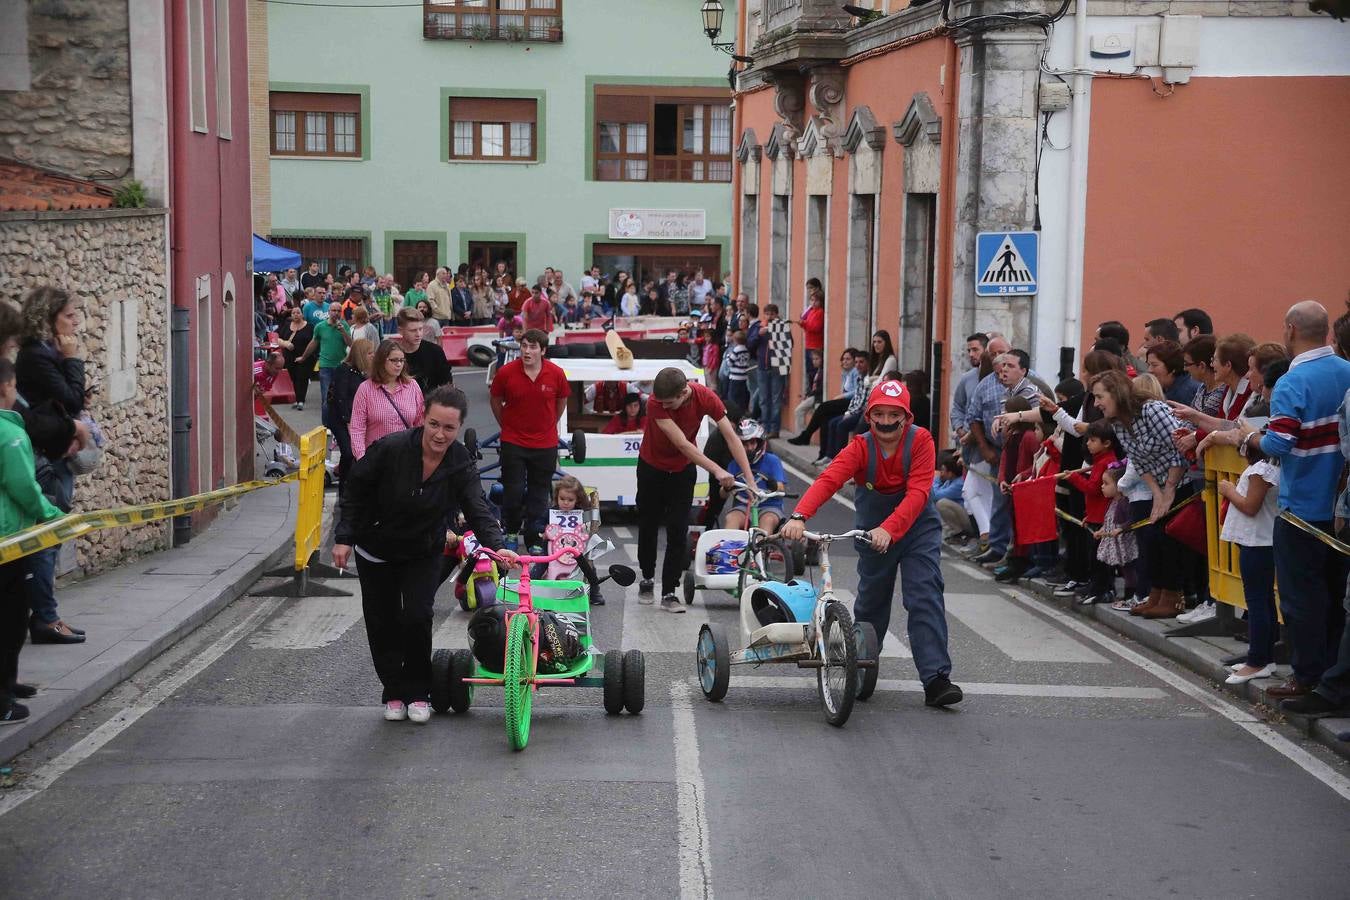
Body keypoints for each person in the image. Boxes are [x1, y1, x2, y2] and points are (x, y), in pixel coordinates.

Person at [334, 386, 518, 723]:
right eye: (434, 424)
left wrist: (497, 543)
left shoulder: (459, 459)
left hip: (423, 548)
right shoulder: (391, 449)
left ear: (459, 428)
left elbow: (476, 506)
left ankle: (419, 691)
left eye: (449, 428)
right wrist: (344, 537)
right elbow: (355, 489)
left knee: (418, 615)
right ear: (423, 418)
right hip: (377, 548)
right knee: (383, 621)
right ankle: (393, 691)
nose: (439, 434)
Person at [782, 380, 963, 708]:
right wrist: (798, 516)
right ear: (869, 415)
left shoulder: (921, 440)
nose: (884, 421)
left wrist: (890, 529)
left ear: (905, 417)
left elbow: (920, 493)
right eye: (878, 413)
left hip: (917, 530)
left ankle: (936, 679)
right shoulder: (860, 447)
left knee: (924, 595)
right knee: (871, 603)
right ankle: (859, 668)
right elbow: (828, 479)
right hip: (871, 531)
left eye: (893, 414)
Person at [1261, 300, 1350, 700]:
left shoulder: (1292, 382)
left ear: (1291, 328)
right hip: (1340, 507)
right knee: (1335, 596)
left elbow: (1279, 441)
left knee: (1301, 599)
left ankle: (1306, 674)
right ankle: (1333, 671)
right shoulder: (1346, 372)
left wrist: (1248, 438)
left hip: (1301, 509)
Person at [637, 368, 755, 613]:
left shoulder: (706, 397)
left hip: (682, 471)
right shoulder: (655, 404)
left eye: (670, 403)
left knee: (678, 529)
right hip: (652, 466)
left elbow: (732, 438)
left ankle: (669, 592)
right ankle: (647, 578)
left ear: (684, 392)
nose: (666, 407)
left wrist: (751, 481)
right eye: (663, 403)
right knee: (648, 525)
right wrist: (718, 471)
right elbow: (682, 444)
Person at [16, 286, 89, 645]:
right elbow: (72, 401)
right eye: (68, 315)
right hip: (49, 458)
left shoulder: (45, 354)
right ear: (48, 319)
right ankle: (45, 618)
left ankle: (46, 613)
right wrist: (73, 360)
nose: (75, 321)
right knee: (48, 538)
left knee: (53, 538)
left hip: (56, 453)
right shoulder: (36, 357)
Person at [0, 356, 66, 724]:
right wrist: (54, 516)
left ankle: (8, 684)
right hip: (9, 540)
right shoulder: (9, 434)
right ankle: (3, 700)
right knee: (10, 622)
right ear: (6, 388)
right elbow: (24, 488)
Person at [489, 328, 569, 551]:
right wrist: (506, 425)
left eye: (532, 347)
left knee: (539, 493)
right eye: (524, 346)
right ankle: (512, 532)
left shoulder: (556, 373)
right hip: (513, 441)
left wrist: (550, 423)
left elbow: (561, 401)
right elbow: (495, 400)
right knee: (512, 492)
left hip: (544, 443)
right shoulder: (506, 373)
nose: (527, 351)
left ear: (542, 350)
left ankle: (534, 538)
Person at [1217, 436, 1280, 685]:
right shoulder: (1268, 468)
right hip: (1259, 541)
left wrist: (1229, 491)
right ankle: (1266, 657)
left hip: (1258, 542)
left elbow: (1250, 506)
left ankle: (1257, 661)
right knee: (1263, 599)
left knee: (1256, 601)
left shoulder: (1261, 470)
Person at [1062, 420, 1123, 604]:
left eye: (1092, 440)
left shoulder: (1107, 462)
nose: (1087, 443)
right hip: (1096, 516)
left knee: (1100, 558)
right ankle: (1096, 587)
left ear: (1106, 443)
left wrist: (1074, 478)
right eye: (1088, 439)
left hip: (1104, 517)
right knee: (1094, 555)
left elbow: (1093, 489)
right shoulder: (1099, 461)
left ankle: (1103, 589)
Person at [349, 339, 425, 459]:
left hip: (406, 457)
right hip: (376, 459)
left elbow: (420, 422)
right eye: (394, 360)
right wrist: (362, 459)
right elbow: (357, 428)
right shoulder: (365, 389)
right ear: (381, 361)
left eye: (401, 360)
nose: (399, 364)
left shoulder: (413, 386)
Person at [721, 419, 786, 534]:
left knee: (767, 522)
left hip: (769, 507)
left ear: (759, 443)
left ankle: (761, 548)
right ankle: (730, 547)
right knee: (731, 519)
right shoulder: (734, 464)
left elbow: (781, 488)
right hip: (743, 506)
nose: (750, 448)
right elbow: (722, 495)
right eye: (745, 444)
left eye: (752, 443)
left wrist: (772, 484)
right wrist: (727, 487)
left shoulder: (772, 461)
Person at [297, 301, 352, 432]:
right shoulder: (320, 326)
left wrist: (343, 331)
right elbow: (313, 343)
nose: (336, 313)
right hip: (325, 366)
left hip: (340, 366)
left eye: (339, 311)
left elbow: (351, 344)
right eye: (334, 310)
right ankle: (326, 425)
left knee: (340, 396)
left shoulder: (344, 325)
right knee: (326, 397)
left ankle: (339, 423)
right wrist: (304, 357)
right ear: (329, 312)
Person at [328, 339, 374, 490]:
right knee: (348, 452)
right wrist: (348, 422)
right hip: (340, 418)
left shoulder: (363, 372)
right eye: (369, 353)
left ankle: (350, 486)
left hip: (356, 419)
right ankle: (344, 487)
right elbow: (340, 397)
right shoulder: (344, 369)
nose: (372, 356)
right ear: (361, 354)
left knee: (355, 454)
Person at [789, 348, 859, 446]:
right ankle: (824, 453)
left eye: (848, 359)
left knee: (823, 407)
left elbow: (857, 391)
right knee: (825, 419)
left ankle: (806, 436)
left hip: (852, 402)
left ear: (854, 360)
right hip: (844, 401)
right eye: (843, 359)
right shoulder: (845, 372)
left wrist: (842, 396)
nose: (845, 361)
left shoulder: (856, 371)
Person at [394, 307, 453, 393]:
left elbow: (447, 384)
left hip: (430, 402)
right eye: (413, 330)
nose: (418, 334)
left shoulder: (435, 351)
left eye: (421, 329)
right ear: (400, 331)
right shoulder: (393, 355)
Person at [275, 306, 313, 410]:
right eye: (293, 313)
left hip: (304, 356)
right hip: (290, 357)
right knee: (294, 378)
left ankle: (301, 400)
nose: (296, 315)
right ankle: (297, 399)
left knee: (302, 378)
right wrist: (285, 343)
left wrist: (307, 355)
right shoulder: (287, 325)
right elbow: (277, 338)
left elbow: (313, 342)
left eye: (298, 313)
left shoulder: (309, 327)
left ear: (302, 314)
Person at [933, 451, 973, 543]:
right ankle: (954, 531)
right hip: (962, 516)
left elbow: (935, 495)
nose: (941, 473)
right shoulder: (949, 481)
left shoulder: (959, 483)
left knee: (941, 503)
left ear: (950, 473)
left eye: (943, 470)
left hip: (969, 521)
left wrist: (937, 479)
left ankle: (959, 532)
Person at [794, 281, 825, 395]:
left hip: (816, 345)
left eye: (815, 300)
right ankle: (810, 389)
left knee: (814, 370)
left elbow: (816, 327)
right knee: (809, 370)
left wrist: (804, 324)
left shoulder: (820, 312)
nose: (812, 302)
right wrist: (804, 318)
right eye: (811, 300)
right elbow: (803, 317)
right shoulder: (812, 311)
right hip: (809, 344)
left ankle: (814, 391)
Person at [724, 330, 752, 411]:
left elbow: (730, 363)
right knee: (742, 396)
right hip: (744, 376)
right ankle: (741, 411)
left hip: (735, 377)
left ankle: (733, 412)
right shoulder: (746, 349)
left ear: (735, 340)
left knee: (732, 396)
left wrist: (728, 356)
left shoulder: (736, 350)